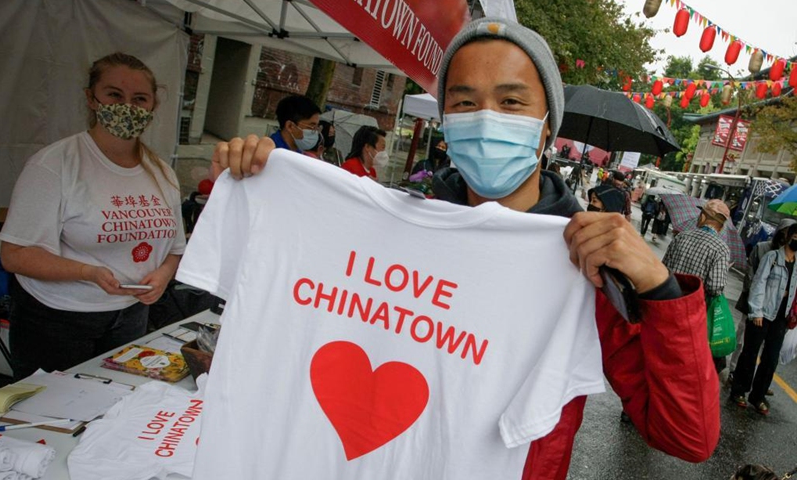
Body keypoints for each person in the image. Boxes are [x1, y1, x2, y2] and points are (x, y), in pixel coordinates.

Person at [209, 18, 719, 478]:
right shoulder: (391, 228)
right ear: (446, 124)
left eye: (512, 101)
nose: (487, 118)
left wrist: (660, 287)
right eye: (465, 102)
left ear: (547, 128)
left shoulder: (581, 269)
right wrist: (267, 180)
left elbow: (688, 437)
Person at [0, 52, 186, 380]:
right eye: (115, 94)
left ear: (153, 105)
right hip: (58, 319)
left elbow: (175, 249)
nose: (127, 106)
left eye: (139, 98)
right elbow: (14, 255)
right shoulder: (54, 165)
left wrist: (164, 275)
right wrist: (87, 272)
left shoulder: (161, 172)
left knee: (115, 407)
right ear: (92, 98)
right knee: (52, 416)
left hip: (131, 315)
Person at [730, 223, 797, 415]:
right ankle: (739, 391)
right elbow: (758, 284)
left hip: (781, 318)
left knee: (771, 358)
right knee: (750, 353)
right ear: (789, 236)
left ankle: (758, 396)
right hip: (762, 313)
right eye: (796, 236)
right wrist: (756, 312)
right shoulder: (772, 257)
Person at [662, 199, 732, 373]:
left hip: (668, 304)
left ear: (701, 217)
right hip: (693, 312)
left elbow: (662, 270)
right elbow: (715, 287)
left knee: (664, 350)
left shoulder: (681, 236)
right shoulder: (721, 249)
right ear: (721, 226)